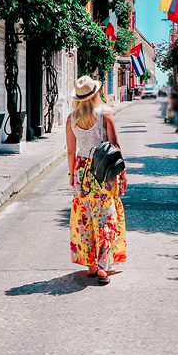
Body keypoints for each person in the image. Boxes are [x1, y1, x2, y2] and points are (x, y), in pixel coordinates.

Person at [66, 75, 127, 285]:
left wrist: (71, 176)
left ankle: (91, 265)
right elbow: (115, 145)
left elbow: (71, 151)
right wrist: (123, 173)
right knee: (106, 216)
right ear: (96, 94)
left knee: (85, 217)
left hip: (81, 171)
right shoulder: (106, 114)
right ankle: (103, 266)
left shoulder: (71, 118)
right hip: (103, 171)